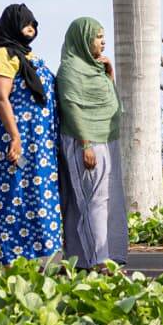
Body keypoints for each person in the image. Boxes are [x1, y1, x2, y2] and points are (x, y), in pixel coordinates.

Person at [0, 3, 62, 265]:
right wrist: (15, 137)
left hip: (39, 143)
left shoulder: (29, 56)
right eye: (25, 23)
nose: (30, 28)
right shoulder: (3, 54)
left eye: (33, 23)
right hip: (16, 140)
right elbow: (0, 96)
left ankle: (37, 263)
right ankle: (10, 262)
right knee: (14, 195)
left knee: (38, 196)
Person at [55, 16, 127, 270]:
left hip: (106, 139)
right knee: (92, 201)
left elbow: (113, 101)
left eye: (102, 36)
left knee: (107, 200)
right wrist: (85, 144)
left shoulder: (97, 69)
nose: (102, 42)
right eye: (97, 37)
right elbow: (72, 108)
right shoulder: (70, 70)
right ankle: (99, 261)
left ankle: (90, 259)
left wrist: (110, 74)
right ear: (83, 39)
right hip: (84, 141)